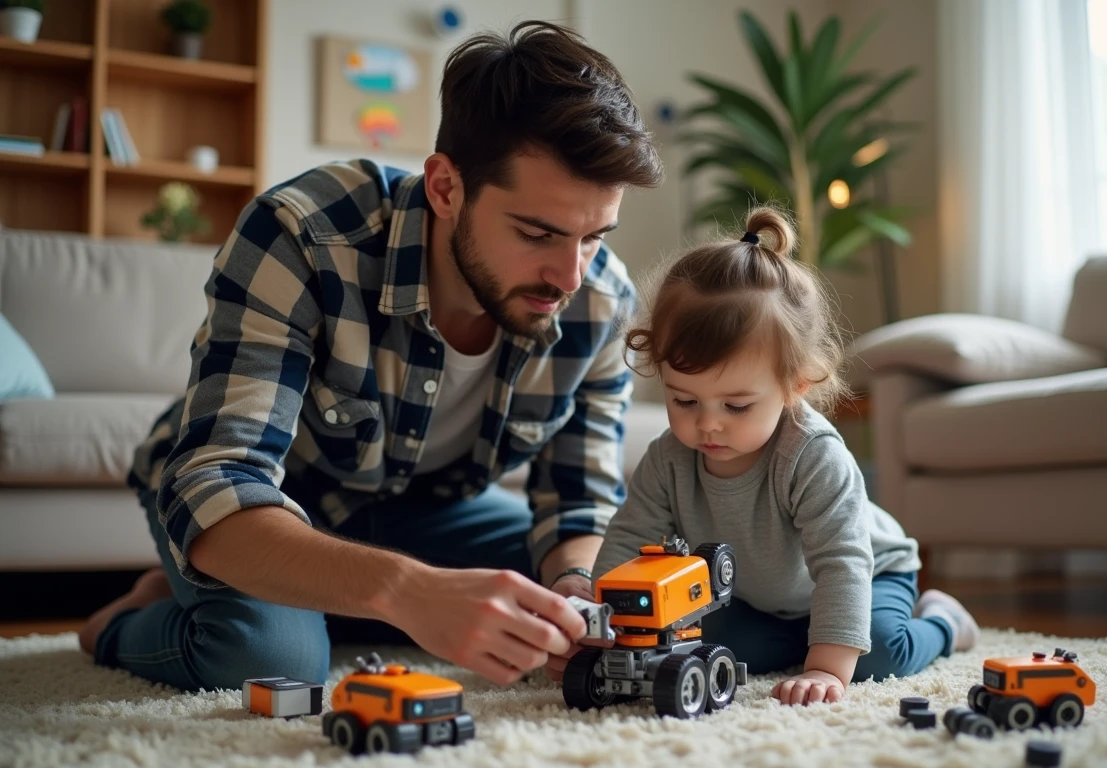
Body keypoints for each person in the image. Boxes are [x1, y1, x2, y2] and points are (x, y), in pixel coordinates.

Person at [78, 20, 664, 692]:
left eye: (594, 237)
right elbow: (218, 484)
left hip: (431, 513)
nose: (570, 276)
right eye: (537, 233)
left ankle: (302, 604)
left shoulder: (602, 300)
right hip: (275, 503)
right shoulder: (301, 236)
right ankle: (125, 620)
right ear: (445, 188)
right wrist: (409, 590)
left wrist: (575, 595)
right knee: (271, 660)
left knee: (634, 606)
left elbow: (577, 505)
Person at [549, 207, 978, 705]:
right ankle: (805, 638)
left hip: (869, 573)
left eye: (736, 406)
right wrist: (602, 620)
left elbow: (842, 562)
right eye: (684, 400)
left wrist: (827, 669)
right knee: (698, 641)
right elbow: (629, 538)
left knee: (877, 655)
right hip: (763, 600)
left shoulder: (811, 455)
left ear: (794, 386)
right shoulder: (667, 460)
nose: (708, 423)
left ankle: (945, 621)